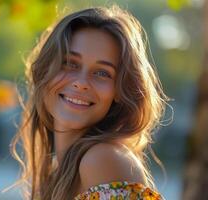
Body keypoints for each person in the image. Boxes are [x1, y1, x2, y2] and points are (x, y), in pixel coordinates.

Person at [9, 5, 169, 200]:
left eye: (102, 73)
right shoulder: (59, 173)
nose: (81, 83)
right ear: (44, 72)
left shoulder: (102, 160)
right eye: (69, 63)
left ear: (119, 90)